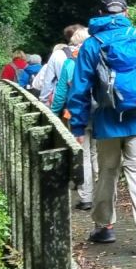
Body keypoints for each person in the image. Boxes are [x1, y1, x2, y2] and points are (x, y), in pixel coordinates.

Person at [65, 0, 136, 253]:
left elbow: (79, 90)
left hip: (107, 122)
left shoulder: (92, 45)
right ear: (126, 12)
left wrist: (78, 127)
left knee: (107, 172)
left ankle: (104, 227)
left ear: (101, 14)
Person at [51, 28, 94, 212]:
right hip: (100, 112)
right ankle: (102, 193)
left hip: (78, 113)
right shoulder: (99, 58)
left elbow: (61, 93)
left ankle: (87, 197)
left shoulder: (70, 64)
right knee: (97, 154)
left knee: (83, 155)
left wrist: (53, 113)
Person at [30, 24, 83, 99]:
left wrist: (44, 100)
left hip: (64, 99)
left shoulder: (58, 55)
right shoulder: (91, 52)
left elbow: (47, 82)